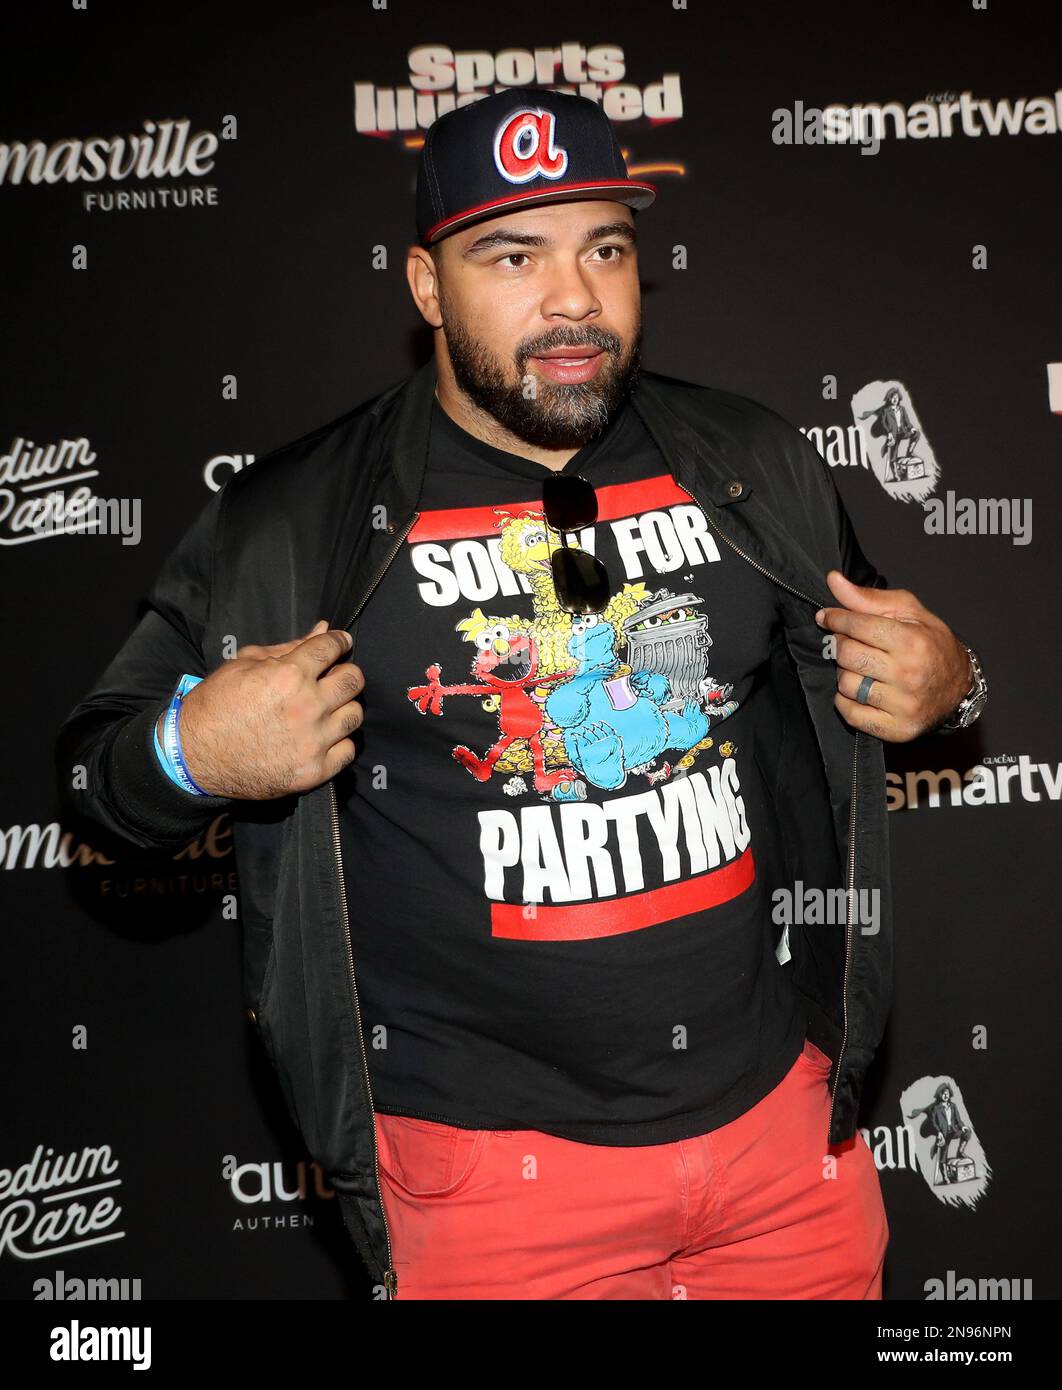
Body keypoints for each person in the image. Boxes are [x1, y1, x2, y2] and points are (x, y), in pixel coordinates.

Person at [55, 86, 987, 1300]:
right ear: (427, 288)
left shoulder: (751, 464)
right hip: (493, 1190)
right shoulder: (294, 522)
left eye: (606, 247)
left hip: (780, 1148)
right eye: (513, 254)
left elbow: (910, 669)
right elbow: (92, 781)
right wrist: (191, 750)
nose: (573, 300)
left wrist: (954, 684)